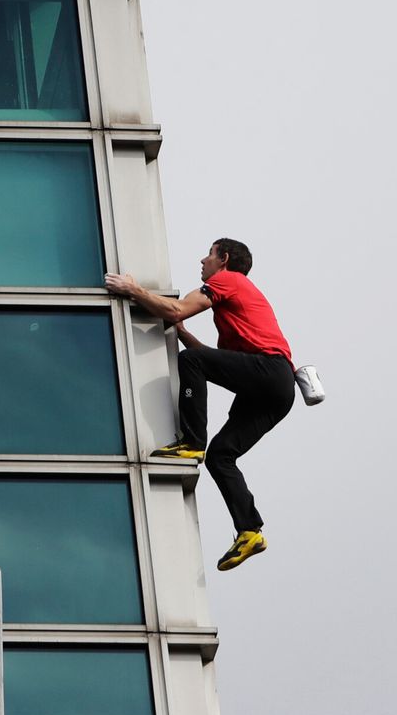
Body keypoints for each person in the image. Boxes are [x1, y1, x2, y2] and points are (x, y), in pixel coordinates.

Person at [105, 238, 295, 571]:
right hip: (276, 390)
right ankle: (250, 531)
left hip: (270, 371)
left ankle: (192, 442)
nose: (202, 260)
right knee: (221, 456)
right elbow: (211, 356)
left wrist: (133, 290)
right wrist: (180, 331)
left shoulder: (228, 280)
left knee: (190, 361)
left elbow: (178, 311)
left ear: (223, 259)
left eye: (209, 254)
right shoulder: (236, 309)